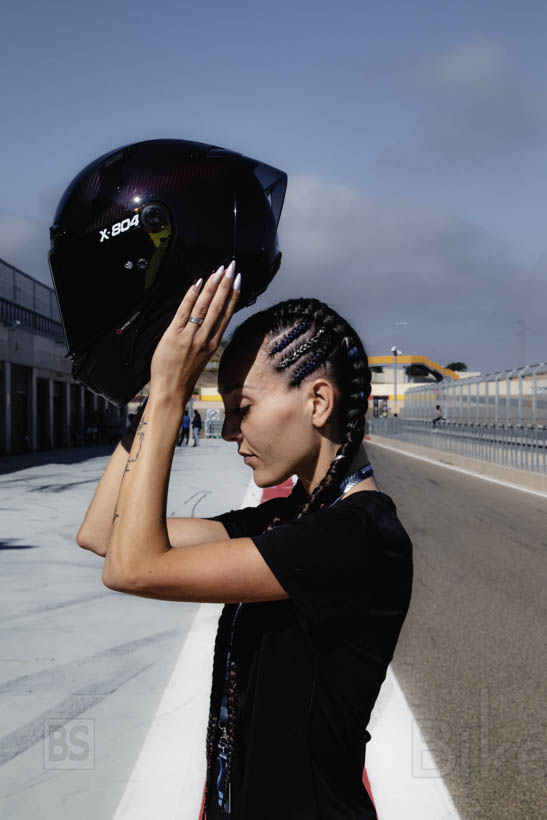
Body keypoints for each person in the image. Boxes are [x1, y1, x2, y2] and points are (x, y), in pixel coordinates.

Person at [77, 266, 413, 820]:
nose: (231, 429)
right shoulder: (287, 521)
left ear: (318, 401)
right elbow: (103, 536)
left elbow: (133, 569)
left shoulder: (358, 538)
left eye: (243, 407)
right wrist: (158, 397)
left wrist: (169, 396)